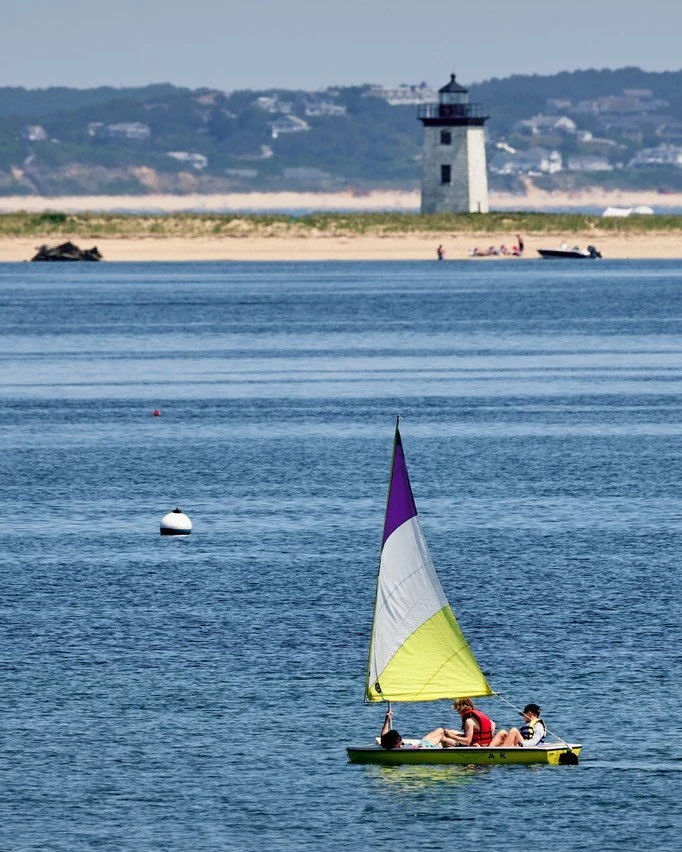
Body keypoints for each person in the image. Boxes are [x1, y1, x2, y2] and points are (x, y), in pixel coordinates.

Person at [379, 708, 446, 750]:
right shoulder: (399, 748)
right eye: (400, 740)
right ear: (396, 744)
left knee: (441, 731)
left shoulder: (385, 743)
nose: (401, 741)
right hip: (425, 746)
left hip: (422, 743)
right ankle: (456, 743)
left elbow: (383, 735)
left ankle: (454, 741)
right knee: (442, 735)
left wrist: (387, 719)